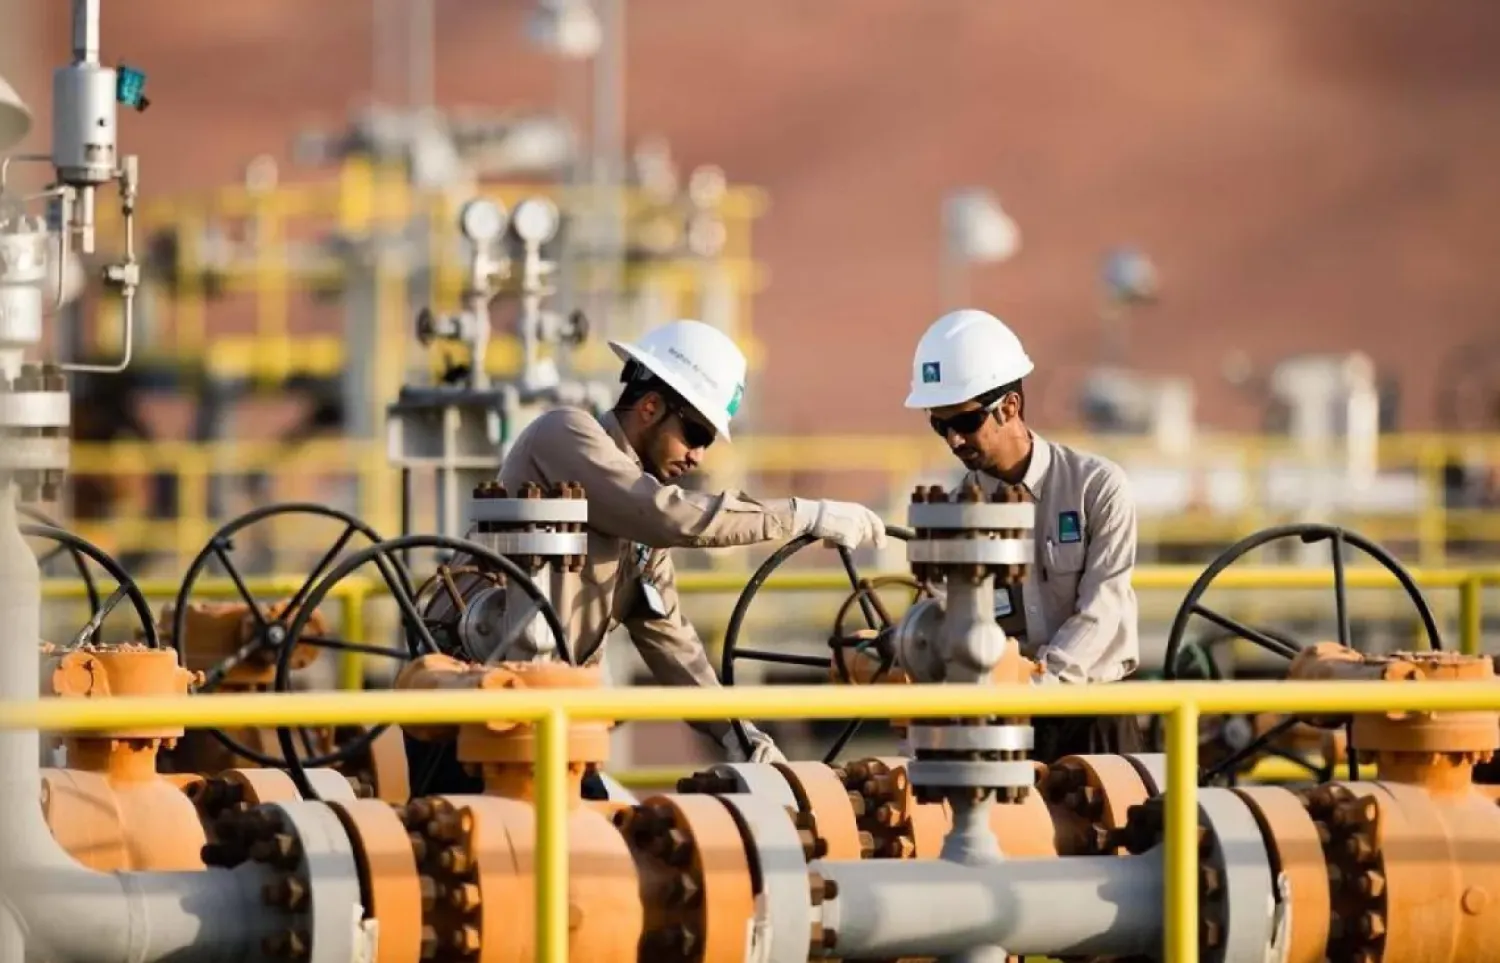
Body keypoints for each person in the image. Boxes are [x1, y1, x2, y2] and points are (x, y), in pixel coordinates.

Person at [416, 318, 888, 791]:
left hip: (549, 728)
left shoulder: (640, 535)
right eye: (696, 434)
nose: (699, 456)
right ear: (650, 406)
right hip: (470, 723)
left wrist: (739, 734)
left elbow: (672, 643)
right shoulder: (564, 435)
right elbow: (666, 515)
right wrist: (802, 515)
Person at [903, 308, 1144, 763]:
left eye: (965, 422)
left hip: (1097, 713)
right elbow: (940, 615)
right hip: (1007, 722)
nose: (953, 440)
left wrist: (1041, 682)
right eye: (940, 425)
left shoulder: (1096, 486)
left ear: (1010, 406)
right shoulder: (955, 512)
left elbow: (1104, 605)